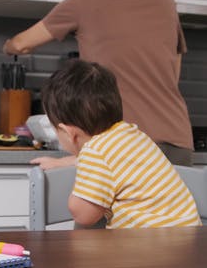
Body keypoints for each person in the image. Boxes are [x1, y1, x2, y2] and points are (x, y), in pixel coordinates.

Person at [3, 0, 193, 168]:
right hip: (177, 139)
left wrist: (7, 46)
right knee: (172, 207)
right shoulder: (165, 4)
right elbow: (174, 72)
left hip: (123, 143)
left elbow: (21, 44)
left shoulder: (83, 3)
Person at [41, 59, 201, 228]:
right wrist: (61, 163)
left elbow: (84, 216)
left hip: (152, 247)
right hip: (189, 240)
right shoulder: (131, 134)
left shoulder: (95, 152)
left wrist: (76, 193)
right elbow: (110, 164)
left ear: (67, 132)